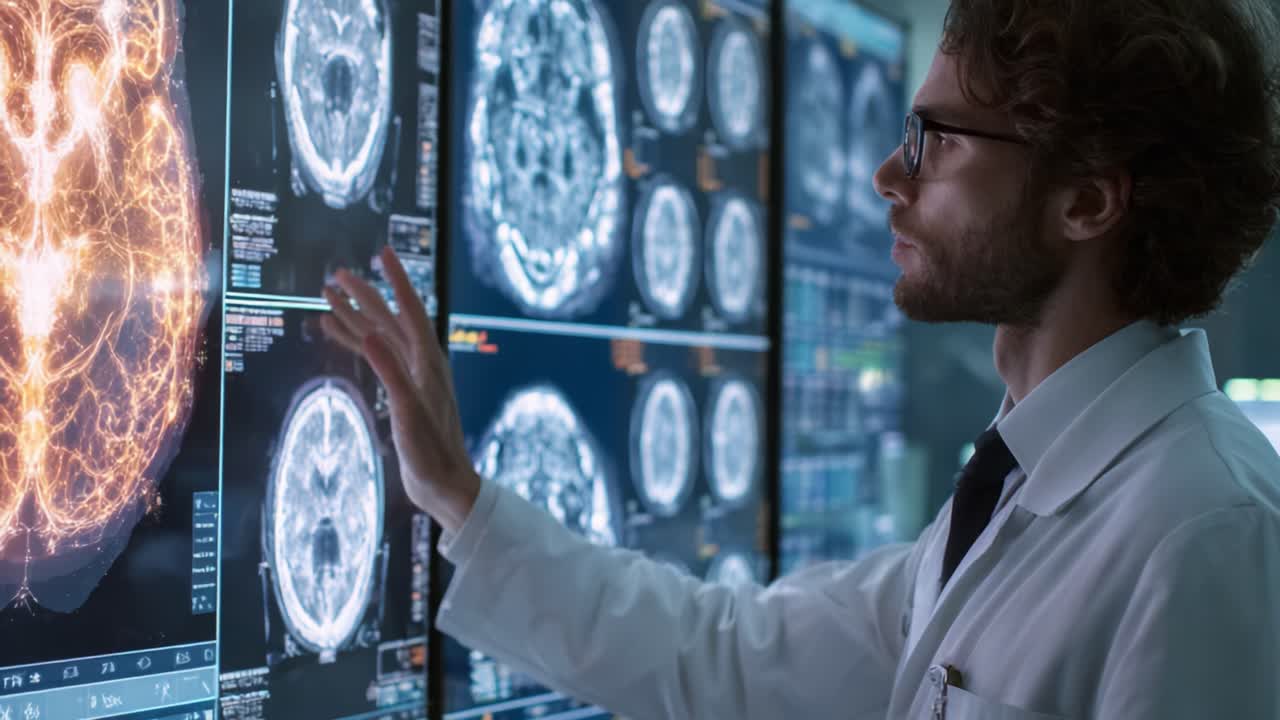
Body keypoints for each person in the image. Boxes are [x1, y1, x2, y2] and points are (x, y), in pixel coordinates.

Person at [321, 0, 1280, 716]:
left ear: (1087, 203)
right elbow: (724, 654)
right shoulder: (1014, 493)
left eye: (935, 140)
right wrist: (457, 496)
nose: (888, 176)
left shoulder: (1205, 533)